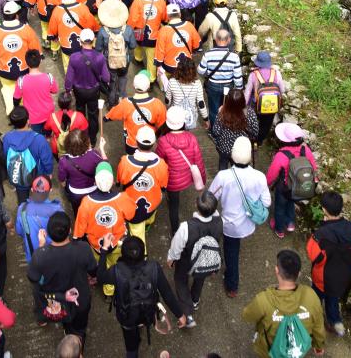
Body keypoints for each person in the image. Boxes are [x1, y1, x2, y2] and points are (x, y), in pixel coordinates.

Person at [97, 235, 186, 357]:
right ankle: (140, 326)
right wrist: (180, 314)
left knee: (131, 346)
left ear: (123, 254)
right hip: (147, 313)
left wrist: (104, 250)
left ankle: (133, 350)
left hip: (127, 317)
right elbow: (167, 293)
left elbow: (100, 277)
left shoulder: (116, 270)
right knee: (142, 322)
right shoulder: (154, 267)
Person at [209, 136, 271, 297]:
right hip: (248, 223)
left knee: (231, 252)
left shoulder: (223, 176)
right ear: (250, 156)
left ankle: (232, 285)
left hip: (229, 224)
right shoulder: (259, 176)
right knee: (233, 248)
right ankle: (231, 285)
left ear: (232, 155)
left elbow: (210, 197)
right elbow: (267, 202)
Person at [27, 211, 97, 340]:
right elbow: (93, 270)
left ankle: (68, 330)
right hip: (80, 300)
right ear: (69, 230)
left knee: (66, 321)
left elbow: (33, 277)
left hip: (57, 301)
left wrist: (41, 247)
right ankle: (77, 347)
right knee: (79, 330)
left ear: (47, 233)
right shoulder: (83, 248)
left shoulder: (40, 254)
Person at [242, 250, 325, 357]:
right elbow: (318, 325)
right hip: (297, 351)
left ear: (276, 270)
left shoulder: (263, 300)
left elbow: (246, 315)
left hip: (270, 351)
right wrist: (318, 345)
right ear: (299, 274)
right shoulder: (311, 295)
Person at [73, 162, 136, 296]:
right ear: (112, 181)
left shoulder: (86, 202)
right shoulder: (122, 198)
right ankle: (113, 288)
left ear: (95, 182)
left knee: (101, 266)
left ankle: (107, 290)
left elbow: (79, 230)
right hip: (117, 241)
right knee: (115, 265)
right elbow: (131, 215)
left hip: (96, 244)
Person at [306, 190, 351, 337]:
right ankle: (336, 323)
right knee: (333, 299)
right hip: (342, 277)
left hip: (322, 278)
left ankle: (311, 319)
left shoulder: (321, 234)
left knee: (315, 298)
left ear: (324, 209)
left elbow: (313, 255)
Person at [167, 190, 223, 327]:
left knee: (180, 280)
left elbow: (176, 246)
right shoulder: (219, 221)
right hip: (205, 259)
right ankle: (195, 299)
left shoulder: (186, 227)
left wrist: (171, 258)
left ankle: (188, 313)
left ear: (195, 205)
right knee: (200, 277)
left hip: (186, 260)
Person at [156, 106, 206, 234]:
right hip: (187, 176)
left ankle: (175, 232)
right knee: (174, 203)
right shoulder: (192, 138)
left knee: (174, 206)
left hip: (172, 180)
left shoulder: (163, 141)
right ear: (183, 122)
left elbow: (158, 161)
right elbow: (198, 160)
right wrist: (202, 180)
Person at [116, 126, 169, 247]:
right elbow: (163, 186)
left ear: (136, 142)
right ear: (154, 144)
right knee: (150, 215)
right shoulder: (161, 164)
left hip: (132, 206)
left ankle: (140, 255)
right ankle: (148, 223)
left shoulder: (125, 161)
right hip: (153, 202)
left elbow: (120, 181)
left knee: (137, 236)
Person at [0, 0, 40, 114]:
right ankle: (26, 112)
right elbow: (35, 51)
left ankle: (12, 113)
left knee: (8, 90)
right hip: (25, 70)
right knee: (25, 91)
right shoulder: (26, 30)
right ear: (16, 15)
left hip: (5, 71)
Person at [267, 122, 318, 239]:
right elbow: (313, 168)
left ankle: (279, 229)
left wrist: (266, 185)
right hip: (299, 187)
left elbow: (272, 174)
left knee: (280, 207)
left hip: (285, 188)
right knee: (291, 202)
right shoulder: (306, 150)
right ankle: (290, 223)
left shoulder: (281, 155)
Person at [64, 28, 110, 146]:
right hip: (94, 91)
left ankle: (81, 137)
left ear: (80, 41)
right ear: (93, 41)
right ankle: (93, 140)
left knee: (80, 113)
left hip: (78, 91)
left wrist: (68, 90)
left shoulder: (74, 57)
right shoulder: (100, 57)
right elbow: (106, 78)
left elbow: (69, 77)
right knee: (93, 115)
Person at [104, 72, 166, 154]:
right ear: (148, 87)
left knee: (132, 159)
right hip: (150, 141)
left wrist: (105, 118)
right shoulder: (158, 103)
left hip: (132, 142)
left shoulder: (126, 103)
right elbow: (162, 125)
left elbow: (112, 115)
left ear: (133, 85)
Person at [3, 105, 53, 203]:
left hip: (19, 176)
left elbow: (6, 154)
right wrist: (49, 172)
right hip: (38, 176)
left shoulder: (7, 138)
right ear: (28, 121)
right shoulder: (39, 139)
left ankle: (23, 213)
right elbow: (46, 159)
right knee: (39, 199)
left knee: (22, 200)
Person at [47, 0, 98, 72]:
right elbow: (91, 23)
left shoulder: (57, 10)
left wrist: (53, 36)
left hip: (66, 44)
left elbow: (52, 28)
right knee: (84, 64)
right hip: (83, 43)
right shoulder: (82, 7)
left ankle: (70, 81)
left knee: (68, 65)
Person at [198, 28, 243, 127]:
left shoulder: (208, 54)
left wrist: (208, 73)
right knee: (227, 108)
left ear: (216, 39)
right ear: (228, 40)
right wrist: (239, 90)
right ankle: (225, 129)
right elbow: (238, 77)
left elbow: (200, 70)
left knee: (214, 109)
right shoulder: (234, 57)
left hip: (212, 85)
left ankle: (214, 130)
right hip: (228, 86)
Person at [96, 0, 137, 109]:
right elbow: (133, 46)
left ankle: (111, 103)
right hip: (125, 60)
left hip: (109, 60)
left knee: (112, 80)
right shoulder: (128, 29)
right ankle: (122, 101)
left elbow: (98, 48)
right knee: (123, 78)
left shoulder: (103, 31)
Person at [15, 175, 64, 262]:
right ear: (50, 190)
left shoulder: (22, 209)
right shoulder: (58, 210)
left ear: (32, 190)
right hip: (53, 256)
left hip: (33, 255)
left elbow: (20, 232)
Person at [128, 0, 167, 83]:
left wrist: (129, 29)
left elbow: (132, 19)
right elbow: (164, 17)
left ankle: (138, 58)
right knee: (151, 58)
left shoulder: (138, 1)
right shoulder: (161, 1)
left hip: (140, 32)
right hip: (154, 34)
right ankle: (151, 79)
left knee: (138, 46)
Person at [12, 48, 58, 133]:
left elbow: (16, 99)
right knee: (48, 136)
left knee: (35, 138)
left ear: (27, 63)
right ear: (40, 61)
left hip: (32, 118)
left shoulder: (21, 80)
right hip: (48, 115)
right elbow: (55, 91)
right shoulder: (49, 77)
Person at [212, 88, 259, 170]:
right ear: (242, 100)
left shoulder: (222, 113)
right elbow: (255, 132)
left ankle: (222, 181)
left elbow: (216, 132)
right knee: (239, 170)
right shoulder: (250, 113)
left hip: (224, 147)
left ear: (228, 102)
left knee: (223, 164)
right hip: (241, 148)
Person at [245, 51, 285, 145]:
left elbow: (247, 93)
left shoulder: (253, 75)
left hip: (256, 105)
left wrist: (244, 106)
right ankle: (259, 141)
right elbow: (282, 90)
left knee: (254, 122)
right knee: (266, 125)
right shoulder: (276, 73)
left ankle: (252, 139)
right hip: (272, 105)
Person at [154, 3, 201, 78]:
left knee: (170, 84)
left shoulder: (164, 30)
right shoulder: (189, 25)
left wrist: (158, 65)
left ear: (168, 16)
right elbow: (197, 45)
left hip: (170, 66)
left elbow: (160, 51)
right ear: (180, 14)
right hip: (186, 65)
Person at [165, 57, 207, 130]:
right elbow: (201, 103)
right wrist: (206, 118)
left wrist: (168, 109)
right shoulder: (197, 83)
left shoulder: (172, 82)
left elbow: (167, 101)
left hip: (176, 116)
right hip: (191, 117)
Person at [44, 91, 89, 157]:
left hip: (58, 148)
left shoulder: (52, 117)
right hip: (75, 147)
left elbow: (47, 133)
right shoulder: (79, 116)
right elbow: (85, 134)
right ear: (71, 104)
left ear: (59, 104)